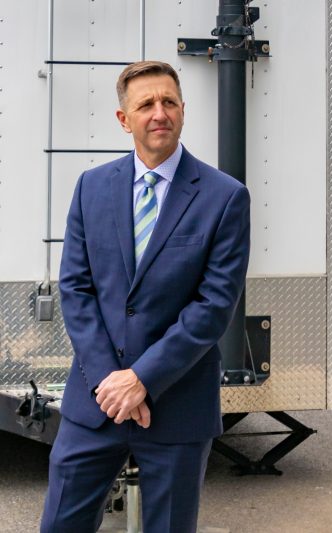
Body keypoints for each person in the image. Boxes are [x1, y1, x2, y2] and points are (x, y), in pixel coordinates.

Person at [40, 61, 250, 532]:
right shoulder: (91, 188)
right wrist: (111, 382)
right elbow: (76, 288)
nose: (160, 113)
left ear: (182, 110)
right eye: (146, 104)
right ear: (124, 119)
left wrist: (144, 378)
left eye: (169, 102)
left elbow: (214, 305)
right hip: (96, 403)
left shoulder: (225, 197)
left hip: (177, 407)